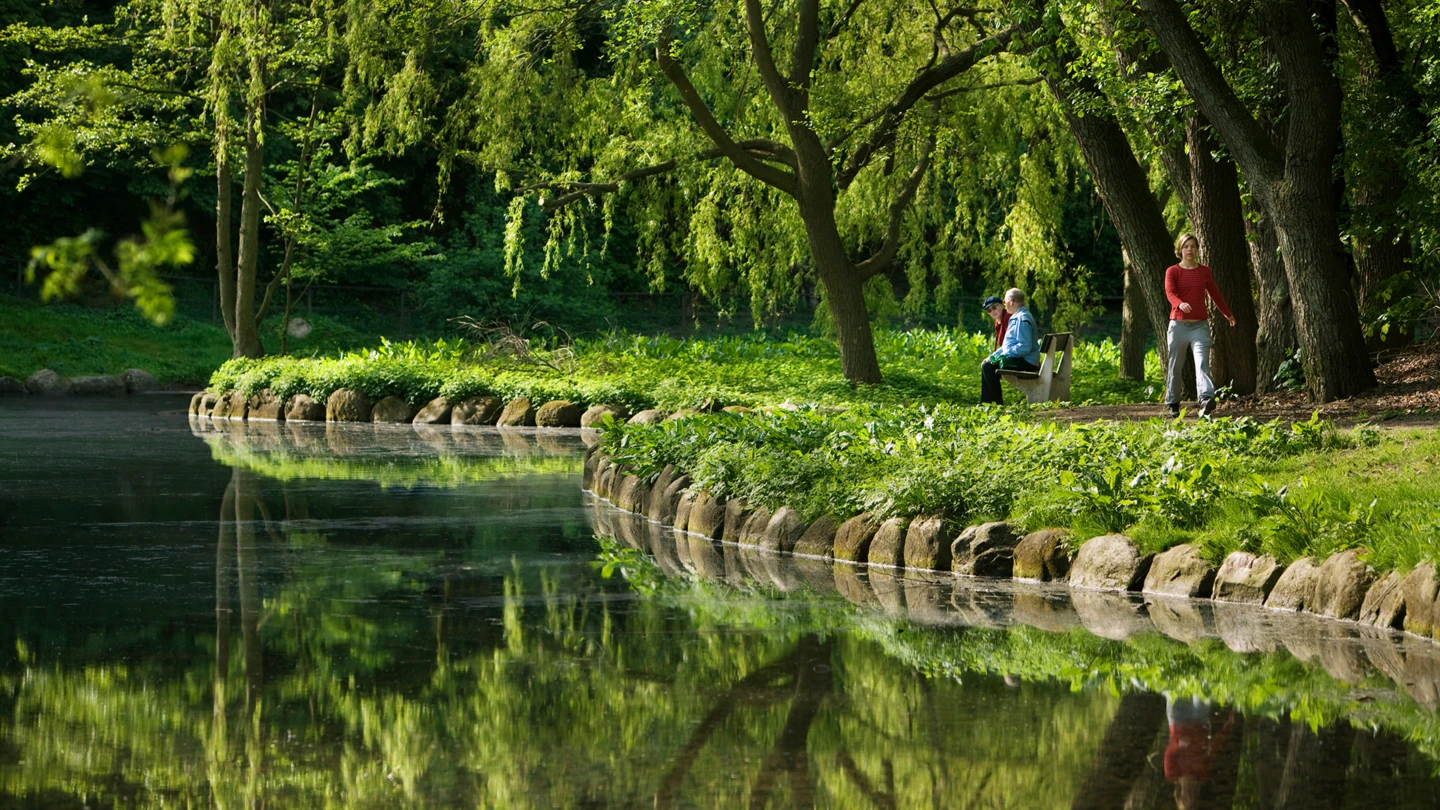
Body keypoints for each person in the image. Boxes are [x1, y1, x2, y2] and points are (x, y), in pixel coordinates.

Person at [1165, 233, 1236, 418]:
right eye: (1186, 246)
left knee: (1202, 364)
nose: (1190, 250)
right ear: (1180, 249)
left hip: (1199, 326)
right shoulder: (1173, 271)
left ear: (1197, 250)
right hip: (1178, 326)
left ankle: (1206, 399)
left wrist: (1227, 313)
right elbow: (1170, 292)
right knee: (1175, 366)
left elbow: (1214, 293)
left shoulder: (1204, 271)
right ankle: (1173, 402)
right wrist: (1179, 303)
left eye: (1193, 246)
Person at [980, 288, 1040, 405]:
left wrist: (1003, 355)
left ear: (1011, 302)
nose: (1004, 302)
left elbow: (1024, 347)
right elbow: (1008, 346)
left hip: (1027, 362)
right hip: (1023, 359)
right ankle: (989, 403)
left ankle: (994, 404)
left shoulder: (1022, 319)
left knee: (988, 367)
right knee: (987, 363)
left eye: (1005, 300)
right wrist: (993, 356)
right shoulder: (1017, 317)